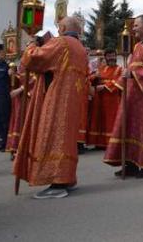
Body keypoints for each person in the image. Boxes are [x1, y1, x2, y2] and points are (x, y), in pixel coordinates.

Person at [13, 16, 89, 199]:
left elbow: (34, 59)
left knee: (53, 136)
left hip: (58, 97)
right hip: (72, 100)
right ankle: (67, 178)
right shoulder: (80, 48)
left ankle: (57, 182)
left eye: (58, 27)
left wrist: (31, 45)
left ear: (63, 27)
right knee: (66, 138)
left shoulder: (62, 43)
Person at [103, 14, 143, 178]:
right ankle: (130, 163)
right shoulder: (137, 46)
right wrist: (120, 82)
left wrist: (133, 74)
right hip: (132, 94)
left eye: (136, 25)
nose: (134, 29)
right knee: (130, 127)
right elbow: (129, 68)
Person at [87, 49, 123, 149]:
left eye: (113, 56)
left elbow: (120, 81)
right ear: (106, 57)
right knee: (99, 120)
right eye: (109, 56)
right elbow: (90, 78)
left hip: (112, 98)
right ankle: (99, 142)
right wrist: (94, 77)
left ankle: (111, 142)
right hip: (99, 98)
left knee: (111, 119)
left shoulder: (120, 69)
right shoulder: (100, 68)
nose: (112, 58)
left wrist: (104, 86)